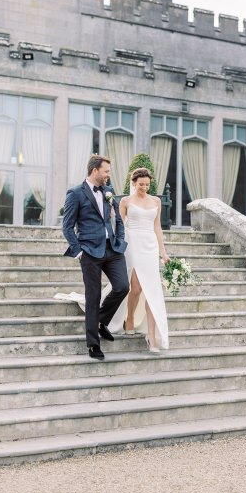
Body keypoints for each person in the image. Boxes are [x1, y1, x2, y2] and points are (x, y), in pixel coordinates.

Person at [62, 154, 129, 361]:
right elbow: (67, 226)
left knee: (122, 287)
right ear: (95, 171)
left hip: (113, 249)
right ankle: (93, 344)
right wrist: (79, 250)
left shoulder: (109, 191)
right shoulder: (75, 193)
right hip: (90, 251)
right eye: (106, 171)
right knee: (93, 297)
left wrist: (120, 238)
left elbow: (117, 219)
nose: (109, 175)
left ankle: (100, 321)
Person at [118, 167, 170, 352]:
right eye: (141, 184)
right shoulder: (125, 201)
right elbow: (119, 226)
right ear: (134, 183)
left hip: (150, 246)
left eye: (147, 185)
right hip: (132, 244)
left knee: (152, 292)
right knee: (137, 288)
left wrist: (163, 252)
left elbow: (157, 227)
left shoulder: (155, 201)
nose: (144, 188)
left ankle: (151, 337)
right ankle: (130, 317)